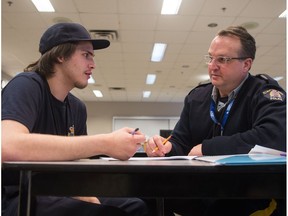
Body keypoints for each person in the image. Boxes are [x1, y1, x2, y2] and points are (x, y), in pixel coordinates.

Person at [1, 22, 151, 216]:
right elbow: (8, 146)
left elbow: (77, 165)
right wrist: (105, 143)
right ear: (60, 55)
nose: (93, 64)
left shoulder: (77, 108)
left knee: (137, 206)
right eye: (85, 55)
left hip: (60, 192)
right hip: (19, 196)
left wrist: (83, 192)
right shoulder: (26, 85)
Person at [145, 26, 286, 216]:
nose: (213, 65)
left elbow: (274, 136)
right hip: (202, 191)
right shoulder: (197, 97)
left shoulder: (265, 94)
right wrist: (166, 148)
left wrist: (207, 148)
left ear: (246, 64)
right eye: (210, 58)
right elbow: (181, 141)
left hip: (248, 194)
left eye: (223, 59)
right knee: (146, 197)